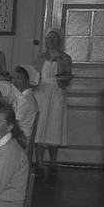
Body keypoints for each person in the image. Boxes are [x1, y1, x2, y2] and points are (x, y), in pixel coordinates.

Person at [32, 27, 74, 175]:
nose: (52, 41)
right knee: (40, 127)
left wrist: (63, 79)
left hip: (57, 93)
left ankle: (53, 163)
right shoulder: (39, 57)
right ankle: (39, 163)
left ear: (60, 41)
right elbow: (34, 77)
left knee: (54, 127)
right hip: (41, 93)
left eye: (55, 38)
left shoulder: (65, 58)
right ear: (45, 40)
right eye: (49, 38)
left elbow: (66, 79)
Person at [11, 66, 39, 146]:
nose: (14, 82)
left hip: (21, 137)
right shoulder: (24, 97)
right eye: (13, 78)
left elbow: (15, 122)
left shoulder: (25, 99)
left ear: (28, 80)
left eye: (19, 79)